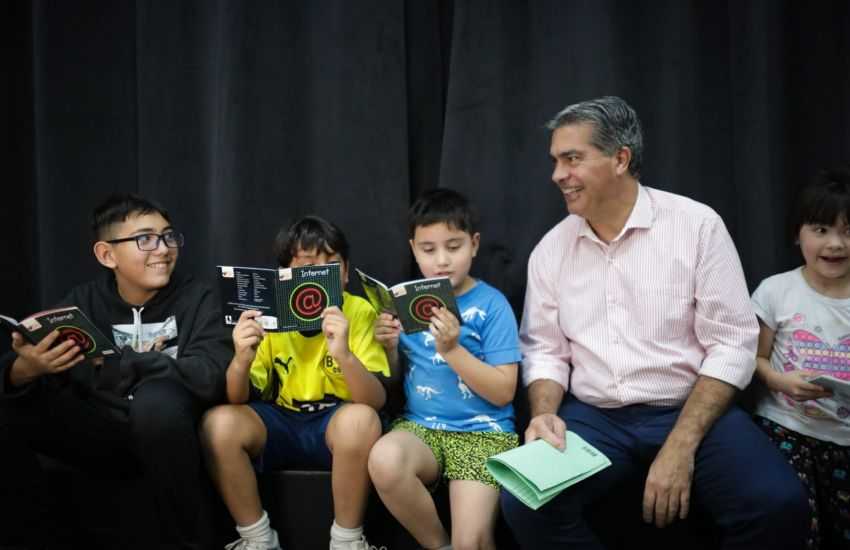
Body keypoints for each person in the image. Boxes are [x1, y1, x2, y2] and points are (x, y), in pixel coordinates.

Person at [499, 96, 809, 549]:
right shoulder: (551, 249)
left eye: (572, 159)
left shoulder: (696, 226)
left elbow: (732, 344)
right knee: (525, 503)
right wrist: (544, 415)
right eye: (555, 161)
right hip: (595, 417)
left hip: (689, 405)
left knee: (778, 505)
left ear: (620, 158)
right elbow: (546, 349)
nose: (557, 175)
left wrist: (681, 445)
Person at [0, 193, 231, 549]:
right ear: (107, 255)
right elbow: (28, 372)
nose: (163, 249)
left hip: (172, 432)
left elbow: (211, 373)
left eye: (169, 236)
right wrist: (25, 369)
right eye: (145, 240)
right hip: (103, 433)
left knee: (157, 402)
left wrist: (119, 364)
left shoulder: (198, 298)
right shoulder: (84, 300)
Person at [200, 215, 391, 550]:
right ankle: (257, 539)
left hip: (336, 422)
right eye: (306, 267)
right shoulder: (269, 313)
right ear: (284, 276)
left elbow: (374, 401)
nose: (318, 277)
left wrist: (343, 352)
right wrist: (242, 358)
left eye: (331, 266)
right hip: (282, 421)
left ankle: (347, 540)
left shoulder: (359, 311)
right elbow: (236, 398)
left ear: (345, 273)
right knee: (217, 424)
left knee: (361, 420)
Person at [368, 189, 521, 550]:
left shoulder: (492, 304)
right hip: (421, 429)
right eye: (428, 249)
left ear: (474, 244)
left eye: (454, 247)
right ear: (413, 248)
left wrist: (451, 350)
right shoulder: (404, 302)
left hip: (483, 433)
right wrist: (388, 348)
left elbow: (503, 392)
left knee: (474, 541)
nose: (442, 260)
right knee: (384, 458)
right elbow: (391, 380)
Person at [750, 167, 850, 550]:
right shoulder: (777, 292)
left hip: (843, 436)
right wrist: (780, 381)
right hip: (787, 428)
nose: (836, 244)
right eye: (822, 230)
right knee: (795, 526)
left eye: (847, 230)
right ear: (798, 234)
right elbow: (754, 358)